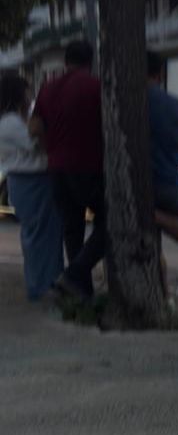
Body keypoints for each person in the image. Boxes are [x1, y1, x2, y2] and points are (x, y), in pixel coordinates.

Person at [30, 40, 105, 299]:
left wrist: (50, 148)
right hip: (88, 166)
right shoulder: (96, 86)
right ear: (90, 62)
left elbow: (34, 128)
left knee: (72, 229)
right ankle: (74, 275)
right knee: (112, 222)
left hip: (56, 168)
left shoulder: (48, 87)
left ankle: (82, 293)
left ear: (65, 61)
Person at [0, 74, 64, 301]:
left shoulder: (14, 121)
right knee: (40, 235)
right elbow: (36, 144)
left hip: (26, 181)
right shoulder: (11, 122)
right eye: (28, 91)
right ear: (18, 94)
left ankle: (43, 283)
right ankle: (42, 285)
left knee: (38, 234)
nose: (31, 96)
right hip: (31, 180)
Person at [147, 51, 178, 244]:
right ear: (160, 74)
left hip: (130, 180)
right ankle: (152, 216)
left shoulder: (122, 102)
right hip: (165, 180)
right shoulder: (175, 105)